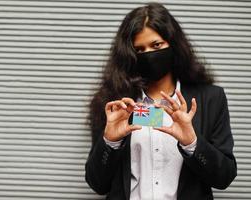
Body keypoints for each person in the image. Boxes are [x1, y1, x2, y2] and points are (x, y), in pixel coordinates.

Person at [85, 2, 237, 200]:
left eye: (156, 45)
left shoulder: (211, 99)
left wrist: (192, 143)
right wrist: (110, 142)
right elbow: (98, 184)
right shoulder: (114, 104)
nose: (149, 54)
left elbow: (224, 177)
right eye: (139, 49)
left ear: (173, 44)